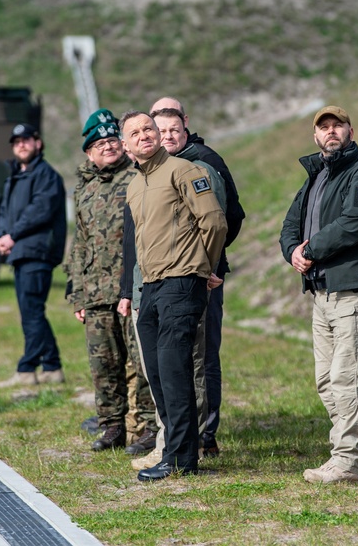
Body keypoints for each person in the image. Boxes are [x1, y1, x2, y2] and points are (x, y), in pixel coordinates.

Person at [279, 105, 358, 484]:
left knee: (346, 378)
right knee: (326, 381)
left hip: (356, 290)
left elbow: (356, 221)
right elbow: (290, 224)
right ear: (315, 136)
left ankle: (347, 461)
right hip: (322, 293)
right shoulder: (315, 178)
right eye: (324, 127)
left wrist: (311, 249)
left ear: (351, 131)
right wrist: (293, 251)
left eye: (338, 125)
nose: (331, 131)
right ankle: (345, 449)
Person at [120, 111, 227, 481]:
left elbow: (214, 221)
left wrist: (204, 267)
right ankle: (176, 452)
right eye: (135, 133)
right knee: (157, 373)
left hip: (183, 281)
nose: (144, 135)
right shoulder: (134, 186)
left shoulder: (183, 170)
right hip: (150, 286)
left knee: (174, 369)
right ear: (126, 145)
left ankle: (180, 458)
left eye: (148, 128)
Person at [149, 97, 245, 457]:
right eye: (160, 130)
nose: (167, 135)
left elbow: (229, 217)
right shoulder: (155, 167)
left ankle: (205, 435)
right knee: (175, 353)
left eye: (173, 129)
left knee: (202, 354)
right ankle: (178, 431)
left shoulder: (204, 162)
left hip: (204, 276)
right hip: (167, 277)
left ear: (185, 126)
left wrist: (209, 263)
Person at [66, 108, 157, 454]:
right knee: (103, 364)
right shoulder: (83, 189)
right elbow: (80, 243)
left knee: (141, 360)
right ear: (89, 152)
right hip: (95, 292)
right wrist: (77, 293)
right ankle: (112, 426)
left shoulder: (136, 177)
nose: (107, 147)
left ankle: (148, 426)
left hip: (130, 288)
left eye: (112, 141)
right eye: (99, 144)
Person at [0, 123, 67, 388]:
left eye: (26, 140)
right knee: (31, 311)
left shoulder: (46, 175)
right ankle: (52, 367)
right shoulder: (16, 176)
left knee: (32, 312)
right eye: (16, 142)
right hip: (21, 251)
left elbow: (39, 211)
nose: (21, 145)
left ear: (38, 143)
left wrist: (12, 235)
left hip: (38, 252)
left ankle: (27, 369)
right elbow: (5, 211)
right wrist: (3, 236)